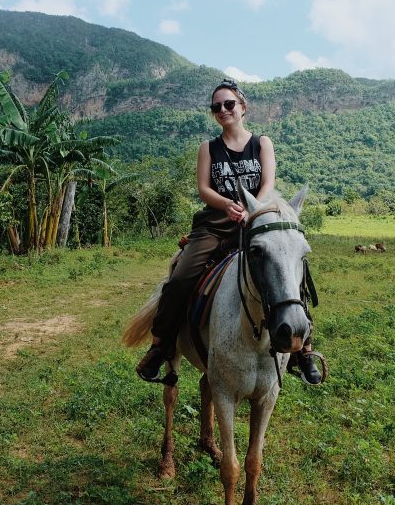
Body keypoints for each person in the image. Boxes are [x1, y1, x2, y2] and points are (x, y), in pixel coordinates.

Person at [136, 78, 323, 385]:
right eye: (216, 107)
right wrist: (226, 205)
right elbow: (203, 189)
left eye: (229, 104)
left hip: (256, 220)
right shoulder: (208, 148)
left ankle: (302, 350)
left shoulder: (262, 143)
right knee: (181, 278)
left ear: (243, 107)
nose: (222, 110)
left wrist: (252, 210)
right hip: (215, 223)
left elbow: (268, 184)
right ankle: (161, 345)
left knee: (293, 272)